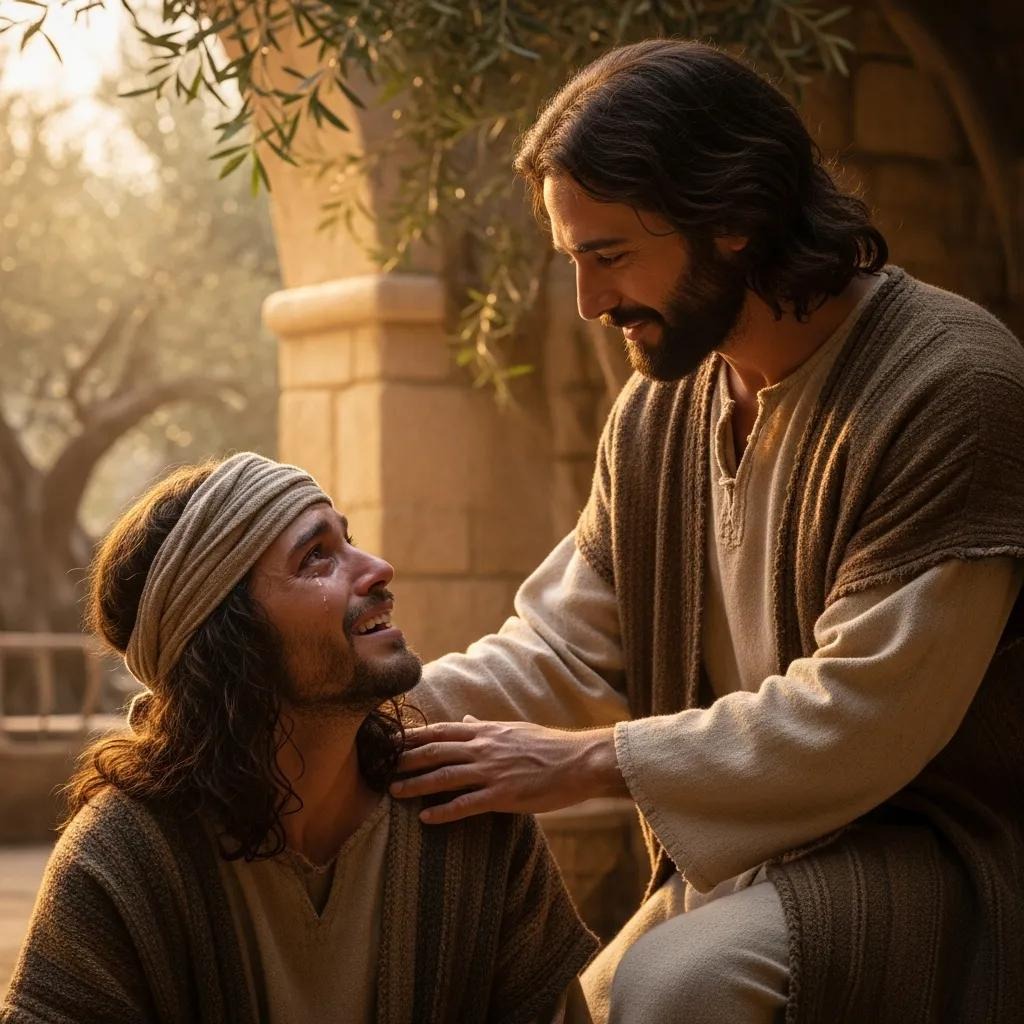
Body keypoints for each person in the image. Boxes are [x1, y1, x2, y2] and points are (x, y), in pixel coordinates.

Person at [391, 39, 1024, 1024]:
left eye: (609, 257)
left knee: (679, 982)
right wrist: (367, 715)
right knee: (571, 1004)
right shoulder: (660, 412)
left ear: (733, 222)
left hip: (935, 848)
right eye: (574, 261)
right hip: (755, 859)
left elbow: (861, 715)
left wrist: (585, 761)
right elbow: (562, 645)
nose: (589, 302)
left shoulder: (951, 388)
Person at [0, 452, 597, 1024]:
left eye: (348, 540)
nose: (378, 568)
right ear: (232, 641)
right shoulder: (122, 863)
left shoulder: (469, 816)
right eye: (316, 557)